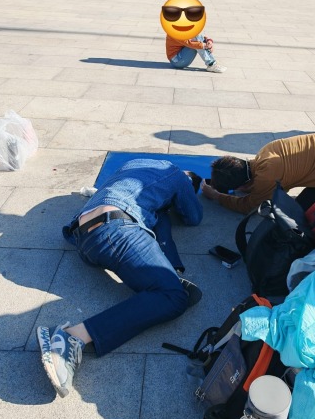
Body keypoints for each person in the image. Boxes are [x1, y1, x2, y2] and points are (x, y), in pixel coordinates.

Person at [37, 158, 204, 398]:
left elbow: (158, 218)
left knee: (157, 220)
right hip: (114, 231)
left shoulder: (138, 163)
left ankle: (168, 277)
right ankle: (71, 338)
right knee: (173, 297)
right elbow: (193, 217)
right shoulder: (178, 175)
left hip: (84, 240)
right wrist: (196, 191)